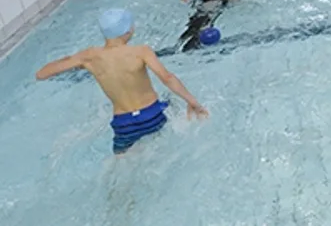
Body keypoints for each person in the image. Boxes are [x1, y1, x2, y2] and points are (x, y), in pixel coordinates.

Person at [35, 9, 208, 154]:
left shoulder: (89, 56)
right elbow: (167, 78)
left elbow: (41, 74)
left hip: (124, 124)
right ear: (128, 30)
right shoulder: (141, 51)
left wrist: (73, 59)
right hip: (152, 115)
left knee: (121, 160)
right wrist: (193, 102)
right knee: (172, 104)